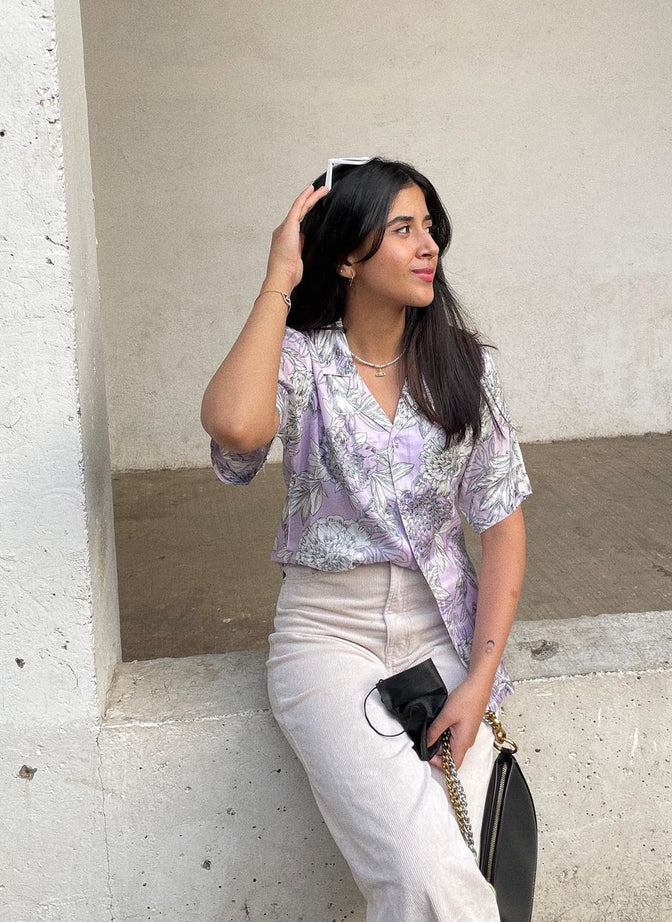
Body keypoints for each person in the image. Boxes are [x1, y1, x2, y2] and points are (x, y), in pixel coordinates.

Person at [201, 157, 531, 921]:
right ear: (348, 257)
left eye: (430, 228)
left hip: (441, 632)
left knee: (475, 860)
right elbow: (236, 426)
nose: (428, 246)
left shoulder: (465, 365)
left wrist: (478, 683)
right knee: (424, 873)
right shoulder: (301, 361)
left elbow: (503, 529)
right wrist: (279, 278)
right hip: (327, 637)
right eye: (403, 229)